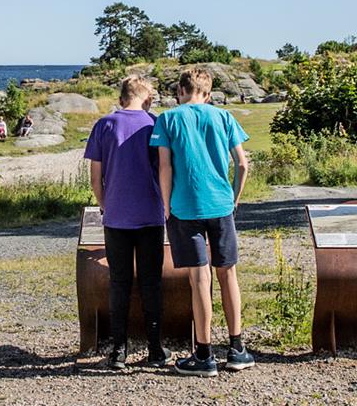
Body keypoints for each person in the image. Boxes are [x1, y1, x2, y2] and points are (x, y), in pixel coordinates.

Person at [151, 68, 253, 377]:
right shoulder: (223, 117)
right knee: (228, 274)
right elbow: (243, 164)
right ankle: (237, 349)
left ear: (181, 91)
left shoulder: (167, 120)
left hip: (185, 207)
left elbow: (165, 168)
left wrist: (166, 205)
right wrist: (233, 199)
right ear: (207, 94)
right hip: (220, 205)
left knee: (199, 280)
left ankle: (204, 354)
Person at [83, 77, 167, 371]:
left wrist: (106, 204)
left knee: (119, 283)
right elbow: (166, 170)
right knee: (150, 283)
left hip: (117, 216)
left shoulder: (104, 125)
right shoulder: (155, 123)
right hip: (152, 215)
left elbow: (95, 177)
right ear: (147, 98)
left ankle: (119, 349)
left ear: (121, 98)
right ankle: (155, 348)